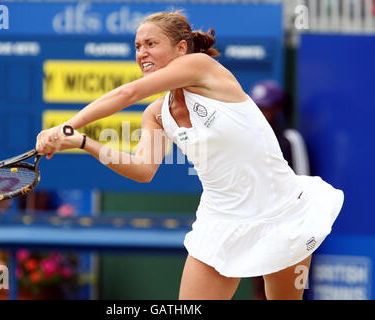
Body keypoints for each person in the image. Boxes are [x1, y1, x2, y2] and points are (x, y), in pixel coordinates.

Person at [35, 11, 344, 300]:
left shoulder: (201, 67)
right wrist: (82, 142)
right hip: (219, 222)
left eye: (151, 44)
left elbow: (126, 94)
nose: (142, 52)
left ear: (181, 48)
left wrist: (66, 125)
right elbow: (143, 170)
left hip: (280, 210)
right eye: (137, 46)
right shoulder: (157, 114)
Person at [249, 79, 311, 299]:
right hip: (255, 222)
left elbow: (303, 181)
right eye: (257, 107)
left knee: (284, 289)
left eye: (266, 107)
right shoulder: (248, 139)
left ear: (278, 108)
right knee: (258, 285)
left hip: (286, 226)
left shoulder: (290, 139)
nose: (261, 112)